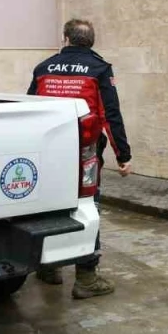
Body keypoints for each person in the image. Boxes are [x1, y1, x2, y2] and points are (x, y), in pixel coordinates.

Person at [27, 19, 132, 299]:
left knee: (50, 209)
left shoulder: (44, 68)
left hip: (48, 153)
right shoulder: (99, 69)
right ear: (91, 41)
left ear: (66, 38)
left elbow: (30, 109)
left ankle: (49, 267)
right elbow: (110, 115)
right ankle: (86, 277)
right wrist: (123, 155)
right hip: (85, 156)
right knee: (87, 207)